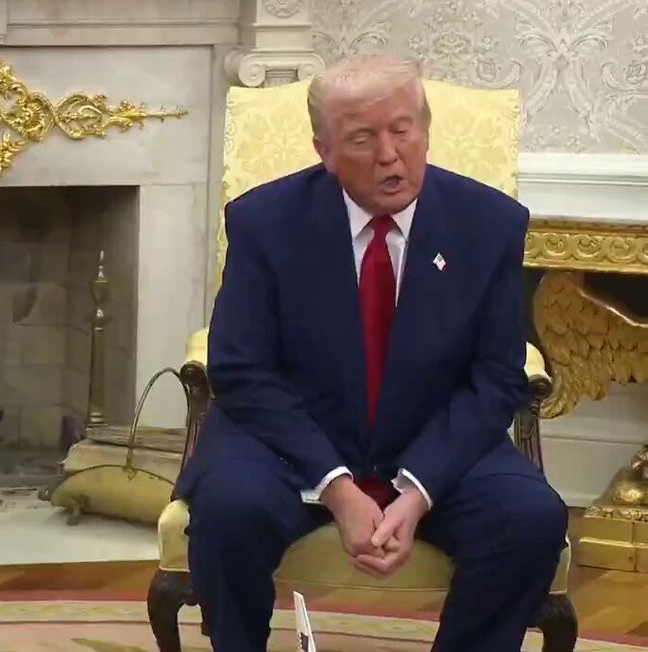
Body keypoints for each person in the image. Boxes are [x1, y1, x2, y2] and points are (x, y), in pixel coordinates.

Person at [175, 53, 567, 651]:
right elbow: (241, 369)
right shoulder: (264, 222)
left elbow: (495, 377)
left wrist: (419, 489)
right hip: (288, 445)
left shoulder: (489, 223)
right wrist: (337, 486)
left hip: (432, 437)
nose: (390, 154)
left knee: (529, 516)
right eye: (363, 138)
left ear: (425, 129)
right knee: (230, 509)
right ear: (325, 150)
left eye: (403, 130)